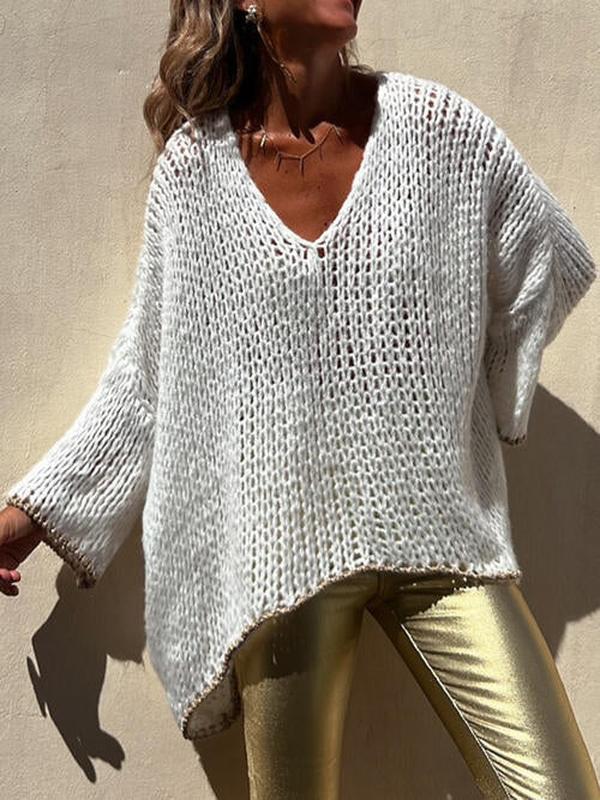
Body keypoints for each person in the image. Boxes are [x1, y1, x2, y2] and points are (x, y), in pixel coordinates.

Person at [2, 1, 599, 797]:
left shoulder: (438, 131)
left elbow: (549, 258)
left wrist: (491, 402)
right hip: (281, 554)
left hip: (441, 538)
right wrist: (32, 516)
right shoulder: (194, 175)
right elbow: (148, 381)